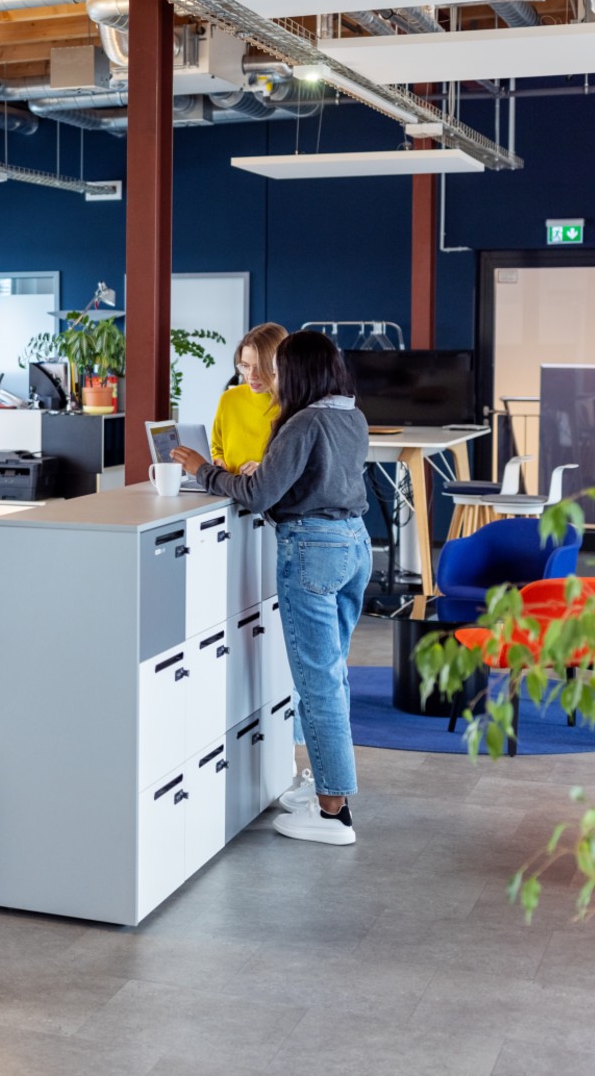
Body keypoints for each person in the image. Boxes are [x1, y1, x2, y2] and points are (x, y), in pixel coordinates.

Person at [173, 332, 370, 846]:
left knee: (317, 683)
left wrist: (203, 471)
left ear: (301, 372)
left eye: (280, 370)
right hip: (354, 544)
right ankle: (332, 789)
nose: (271, 379)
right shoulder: (350, 414)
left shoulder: (304, 421)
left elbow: (259, 496)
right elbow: (313, 479)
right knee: (333, 675)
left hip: (312, 549)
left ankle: (332, 814)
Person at [210, 322, 313, 813]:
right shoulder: (230, 400)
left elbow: (286, 468)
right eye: (242, 364)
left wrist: (262, 471)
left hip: (277, 521)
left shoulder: (294, 409)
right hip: (236, 508)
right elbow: (214, 450)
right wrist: (228, 470)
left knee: (297, 655)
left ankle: (297, 762)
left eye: (256, 366)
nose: (247, 375)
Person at [211, 322, 286, 476]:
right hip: (230, 491)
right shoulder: (229, 398)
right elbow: (217, 448)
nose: (251, 375)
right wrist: (218, 461)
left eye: (259, 367)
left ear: (279, 365)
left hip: (267, 495)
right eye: (245, 366)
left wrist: (264, 471)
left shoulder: (295, 406)